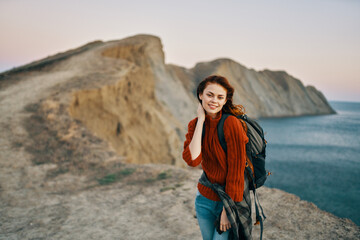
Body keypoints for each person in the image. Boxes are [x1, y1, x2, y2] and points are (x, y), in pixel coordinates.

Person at [182, 75, 251, 240]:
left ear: (226, 100)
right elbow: (193, 160)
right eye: (210, 95)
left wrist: (228, 211)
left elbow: (237, 171)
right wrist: (200, 120)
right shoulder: (194, 124)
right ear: (200, 95)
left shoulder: (231, 124)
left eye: (220, 97)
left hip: (227, 202)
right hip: (203, 200)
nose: (214, 101)